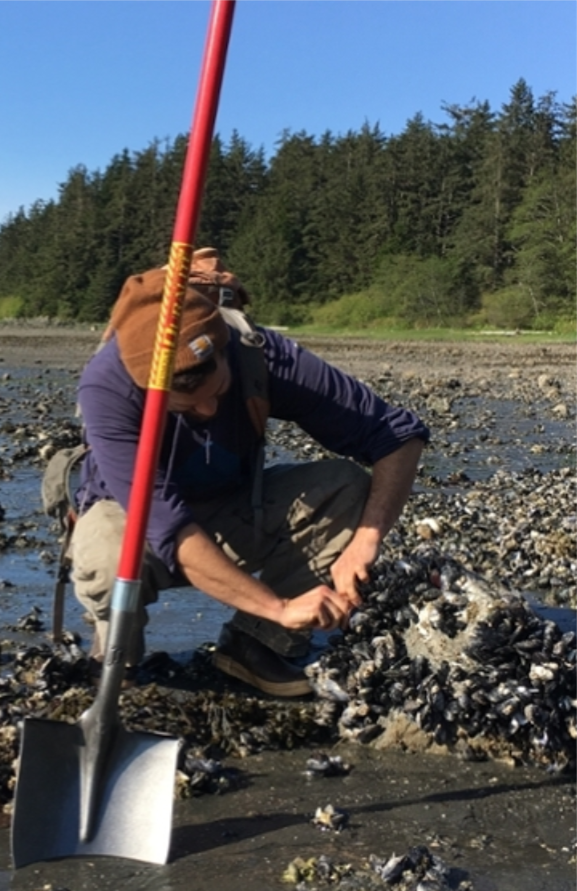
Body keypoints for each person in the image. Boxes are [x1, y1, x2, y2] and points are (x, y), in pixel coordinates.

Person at [70, 261, 429, 698]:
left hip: (232, 512)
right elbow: (167, 526)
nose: (206, 413)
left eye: (216, 395)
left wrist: (365, 542)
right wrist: (280, 606)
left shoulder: (258, 353)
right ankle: (116, 661)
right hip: (134, 525)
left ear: (224, 350)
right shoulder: (107, 387)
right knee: (106, 546)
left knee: (343, 484)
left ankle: (256, 646)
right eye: (184, 409)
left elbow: (397, 435)